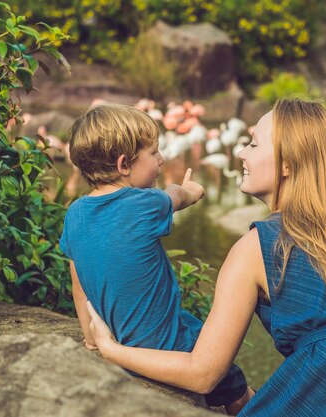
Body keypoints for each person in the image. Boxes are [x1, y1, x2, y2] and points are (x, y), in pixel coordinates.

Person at [85, 97, 326, 416]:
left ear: (288, 164)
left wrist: (112, 350)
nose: (240, 150)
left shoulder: (256, 248)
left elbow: (203, 374)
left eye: (253, 143)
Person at [60, 103, 253, 414]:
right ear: (124, 165)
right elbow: (176, 196)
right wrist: (191, 190)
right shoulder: (144, 204)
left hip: (122, 341)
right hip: (169, 347)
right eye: (154, 153)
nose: (162, 160)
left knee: (194, 323)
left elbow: (78, 283)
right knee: (239, 391)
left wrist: (91, 339)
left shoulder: (74, 214)